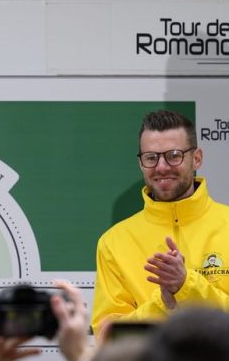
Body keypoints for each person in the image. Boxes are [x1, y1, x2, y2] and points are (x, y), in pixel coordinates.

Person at [91, 110, 229, 335]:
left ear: (197, 158)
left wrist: (187, 285)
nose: (162, 167)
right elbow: (108, 336)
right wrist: (162, 303)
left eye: (174, 155)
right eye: (151, 157)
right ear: (140, 163)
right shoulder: (113, 243)